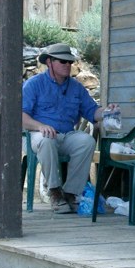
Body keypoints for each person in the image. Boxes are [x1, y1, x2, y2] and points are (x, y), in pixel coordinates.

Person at [22, 42, 118, 214]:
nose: (67, 65)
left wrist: (107, 112)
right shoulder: (34, 84)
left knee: (87, 141)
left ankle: (71, 192)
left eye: (70, 62)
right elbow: (20, 116)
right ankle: (54, 191)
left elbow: (92, 111)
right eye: (62, 61)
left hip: (66, 135)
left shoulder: (76, 87)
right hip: (38, 135)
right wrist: (40, 126)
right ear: (49, 62)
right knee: (47, 139)